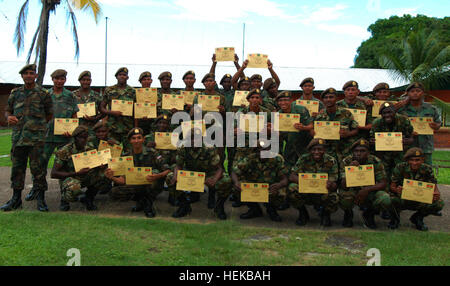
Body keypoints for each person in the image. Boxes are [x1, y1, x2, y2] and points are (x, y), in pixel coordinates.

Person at [1, 64, 53, 212]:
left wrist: (37, 126)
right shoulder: (15, 93)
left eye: (32, 73)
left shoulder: (44, 94)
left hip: (37, 139)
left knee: (39, 169)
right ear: (22, 76)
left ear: (36, 76)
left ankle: (41, 199)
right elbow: (7, 110)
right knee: (17, 169)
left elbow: (49, 114)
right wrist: (9, 117)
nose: (29, 75)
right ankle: (16, 199)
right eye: (26, 73)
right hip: (19, 138)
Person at [166, 128, 232, 219]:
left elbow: (219, 168)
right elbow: (178, 165)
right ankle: (184, 205)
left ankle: (219, 207)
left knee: (227, 181)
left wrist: (214, 180)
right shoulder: (183, 148)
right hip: (190, 174)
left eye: (196, 138)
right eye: (191, 138)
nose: (194, 141)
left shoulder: (209, 148)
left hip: (207, 174)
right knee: (170, 178)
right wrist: (175, 175)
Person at [105, 127, 170, 218]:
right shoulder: (126, 156)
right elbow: (123, 180)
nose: (136, 141)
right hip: (135, 185)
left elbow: (167, 169)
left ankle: (149, 205)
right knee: (114, 192)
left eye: (139, 138)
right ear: (130, 141)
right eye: (133, 138)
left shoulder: (152, 153)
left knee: (154, 177)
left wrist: (157, 176)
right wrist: (112, 177)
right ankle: (141, 200)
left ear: (143, 139)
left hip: (151, 184)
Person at [51, 126, 110, 211]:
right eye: (80, 137)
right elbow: (54, 173)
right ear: (75, 138)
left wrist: (99, 166)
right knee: (73, 188)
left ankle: (88, 198)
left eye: (85, 138)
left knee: (104, 175)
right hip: (71, 178)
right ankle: (65, 199)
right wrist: (76, 173)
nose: (83, 140)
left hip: (85, 176)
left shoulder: (89, 148)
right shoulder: (64, 151)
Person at [339, 139, 392, 229]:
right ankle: (348, 214)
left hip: (370, 190)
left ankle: (369, 214)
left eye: (362, 151)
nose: (359, 154)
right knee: (344, 198)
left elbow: (383, 183)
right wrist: (350, 170)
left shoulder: (375, 161)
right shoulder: (347, 161)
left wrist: (367, 190)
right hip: (353, 190)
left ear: (368, 152)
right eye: (356, 151)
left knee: (385, 199)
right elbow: (343, 186)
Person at [231, 139, 289, 222]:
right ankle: (255, 209)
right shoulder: (250, 158)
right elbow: (234, 172)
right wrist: (236, 182)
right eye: (259, 149)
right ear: (256, 150)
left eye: (265, 149)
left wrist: (279, 185)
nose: (262, 151)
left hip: (270, 188)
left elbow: (285, 179)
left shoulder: (277, 159)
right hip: (254, 187)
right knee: (236, 188)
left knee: (281, 192)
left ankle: (271, 209)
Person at [389, 147, 444, 231]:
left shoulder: (427, 169)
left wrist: (436, 194)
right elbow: (392, 186)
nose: (414, 163)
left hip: (420, 199)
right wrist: (397, 190)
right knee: (389, 199)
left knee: (439, 203)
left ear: (422, 160)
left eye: (417, 160)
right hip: (403, 198)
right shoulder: (400, 167)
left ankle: (418, 218)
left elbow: (434, 187)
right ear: (408, 160)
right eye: (412, 160)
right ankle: (395, 218)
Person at [287, 139, 339, 227]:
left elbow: (334, 182)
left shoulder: (331, 160)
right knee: (292, 188)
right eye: (314, 149)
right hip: (306, 190)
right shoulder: (304, 158)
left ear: (324, 150)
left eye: (320, 149)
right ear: (310, 150)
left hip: (322, 192)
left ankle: (326, 214)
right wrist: (307, 182)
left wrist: (330, 184)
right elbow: (292, 176)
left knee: (334, 196)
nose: (316, 152)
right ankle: (303, 213)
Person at [397, 82, 442, 165]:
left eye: (418, 91)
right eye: (412, 91)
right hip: (407, 145)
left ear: (423, 93)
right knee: (407, 169)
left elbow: (438, 123)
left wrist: (436, 126)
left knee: (427, 170)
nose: (415, 93)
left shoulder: (431, 108)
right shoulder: (401, 109)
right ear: (407, 93)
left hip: (425, 145)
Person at [312, 88, 359, 162]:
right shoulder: (320, 116)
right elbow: (314, 131)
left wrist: (348, 134)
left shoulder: (346, 113)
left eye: (331, 97)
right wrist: (314, 133)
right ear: (323, 100)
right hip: (327, 152)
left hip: (344, 150)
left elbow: (356, 129)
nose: (328, 100)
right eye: (326, 98)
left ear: (336, 98)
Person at [100, 67, 137, 151]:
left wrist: (135, 127)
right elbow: (102, 108)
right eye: (120, 75)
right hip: (112, 128)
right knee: (112, 152)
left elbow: (136, 111)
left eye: (124, 75)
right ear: (116, 76)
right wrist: (112, 112)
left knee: (129, 152)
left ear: (127, 77)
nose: (122, 77)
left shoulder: (133, 91)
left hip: (128, 127)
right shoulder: (109, 90)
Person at [145, 115, 178, 206]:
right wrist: (147, 147)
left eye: (165, 123)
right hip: (155, 166)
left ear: (168, 126)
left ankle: (173, 195)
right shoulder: (148, 137)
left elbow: (177, 155)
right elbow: (142, 152)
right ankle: (152, 193)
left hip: (169, 165)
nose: (162, 125)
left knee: (175, 173)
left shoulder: (173, 137)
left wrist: (174, 156)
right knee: (151, 175)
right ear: (156, 124)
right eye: (160, 123)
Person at [73, 71, 104, 135]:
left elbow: (103, 112)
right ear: (79, 81)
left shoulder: (97, 96)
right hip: (76, 129)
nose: (86, 82)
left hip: (92, 129)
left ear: (91, 81)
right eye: (83, 80)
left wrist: (95, 118)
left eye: (88, 80)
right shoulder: (72, 95)